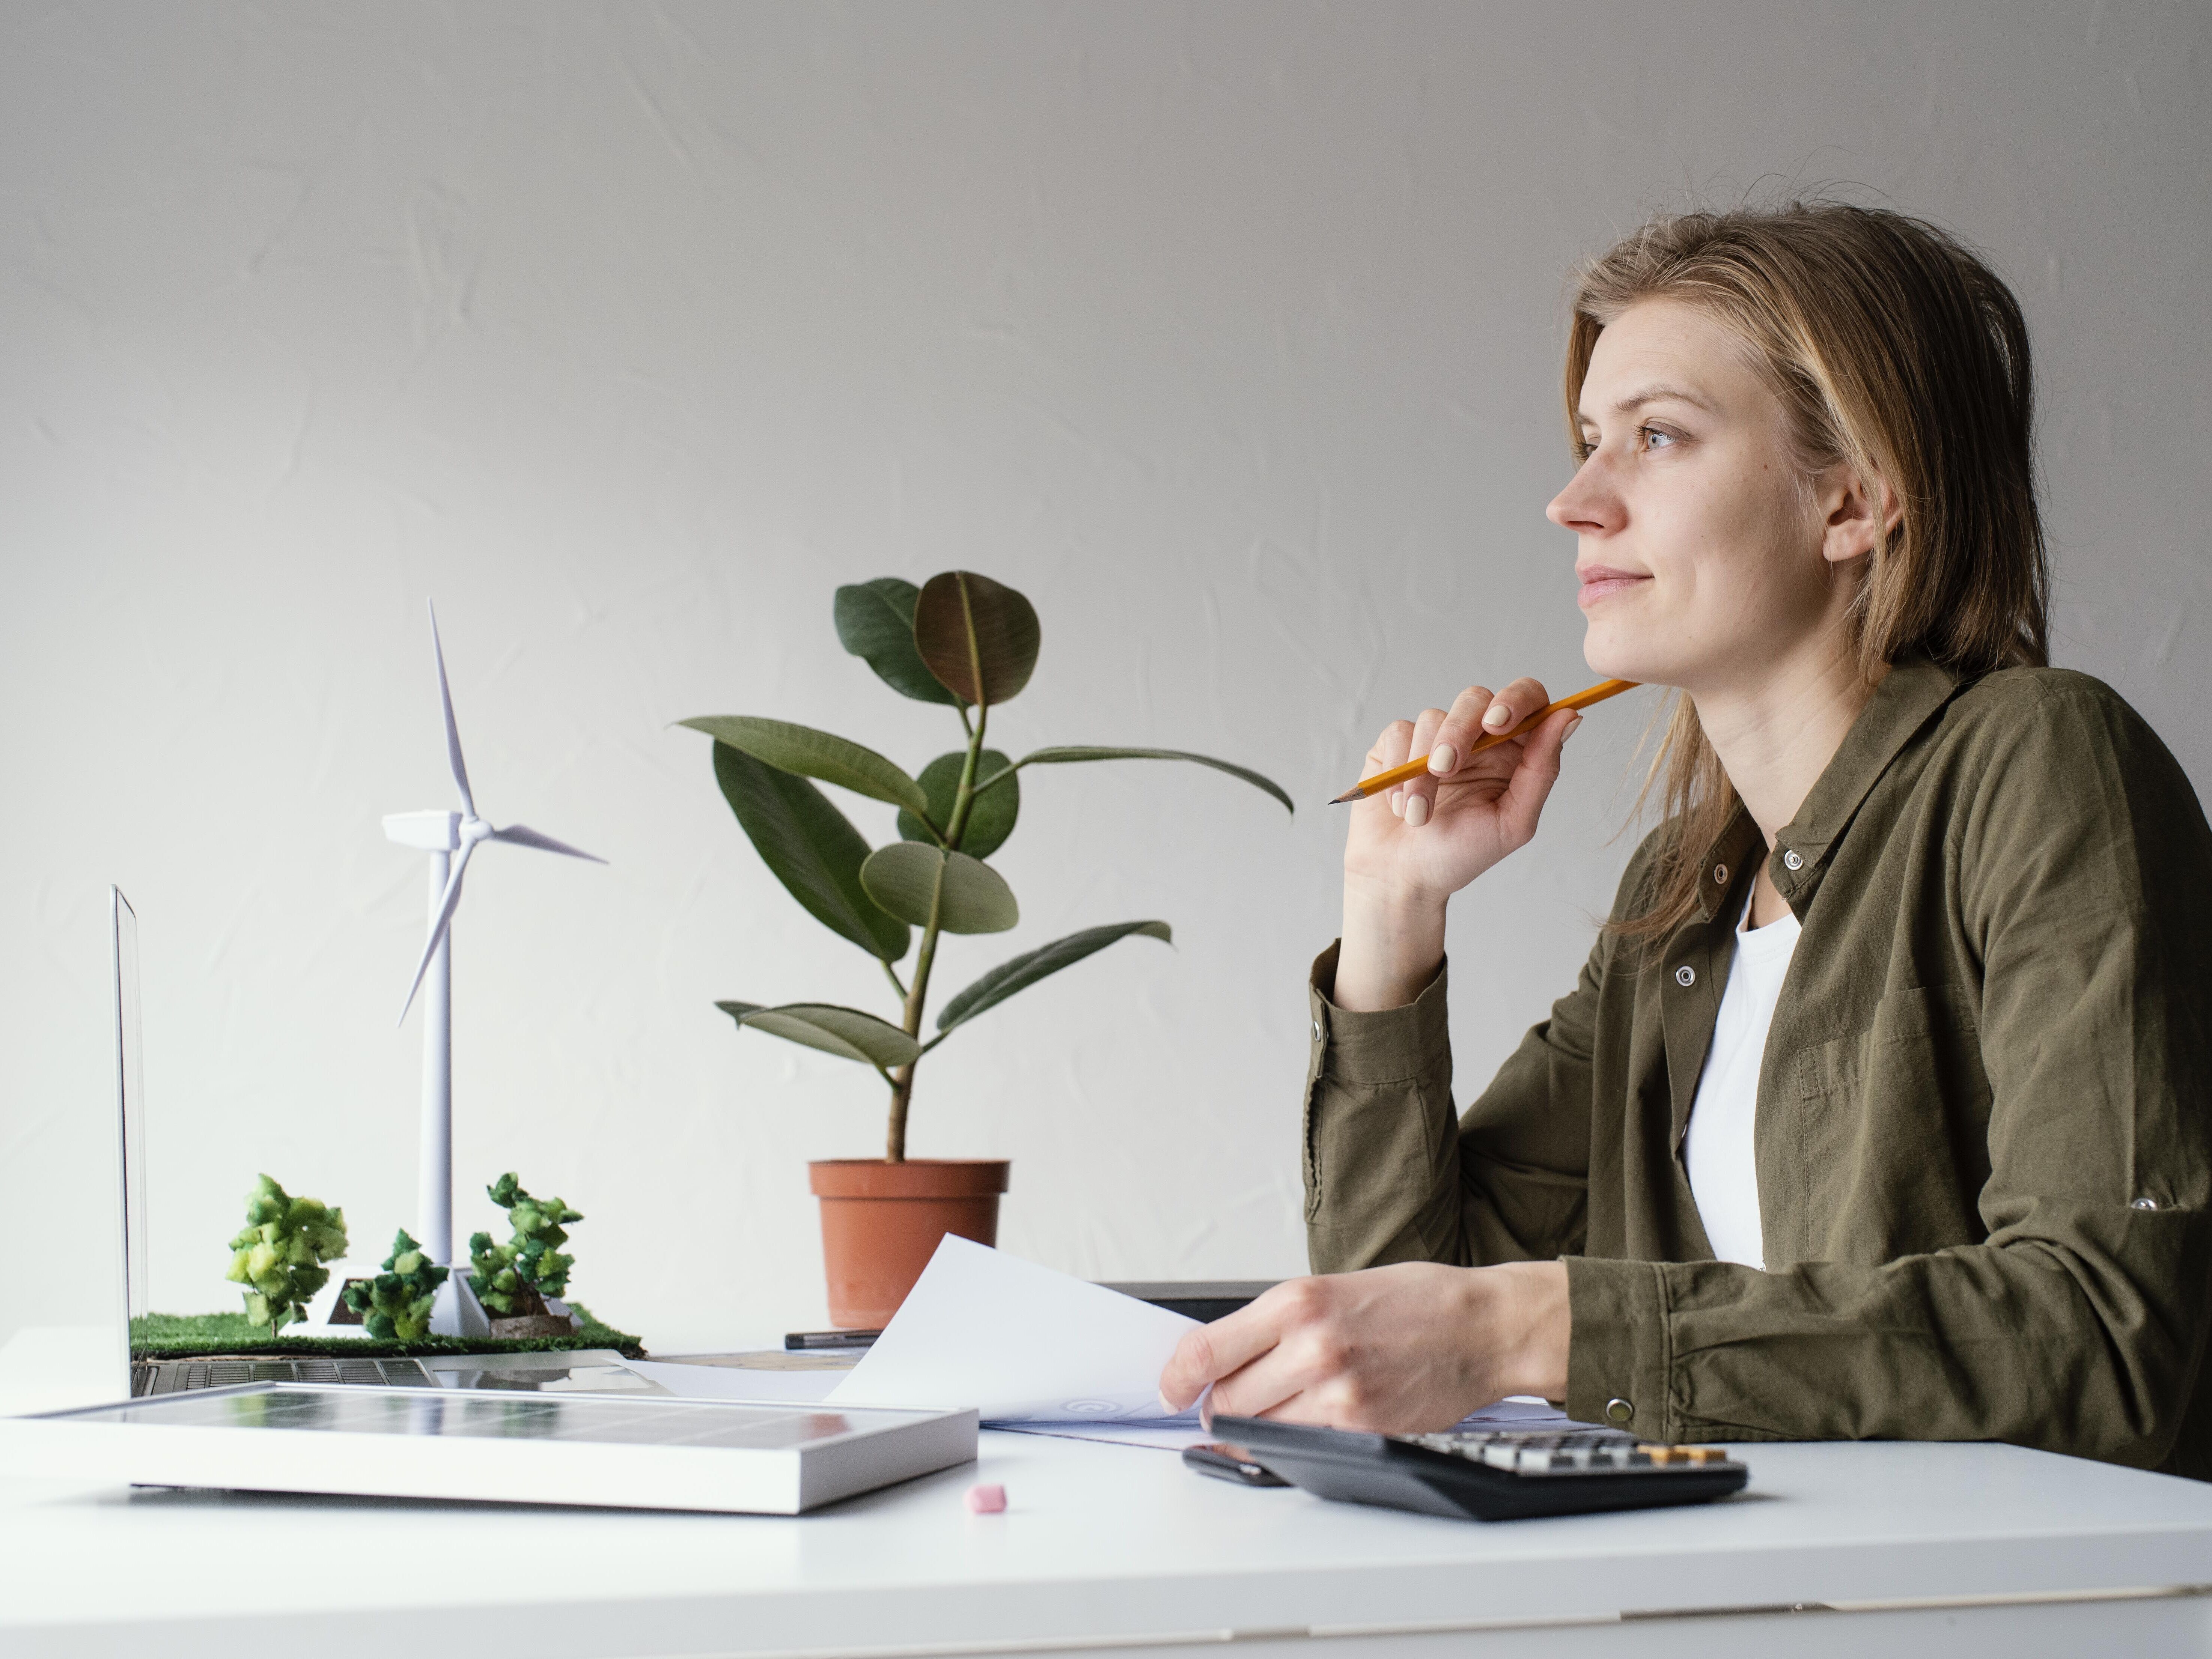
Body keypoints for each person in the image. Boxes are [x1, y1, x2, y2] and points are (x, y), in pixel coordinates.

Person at [1158, 200, 2212, 1477]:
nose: (1573, 501)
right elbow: (1407, 1318)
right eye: (1591, 440)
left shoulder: (2041, 764)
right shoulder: (1682, 895)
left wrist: (1546, 1322)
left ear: (1853, 501)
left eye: (1657, 436)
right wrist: (1393, 915)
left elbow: (2106, 1335)